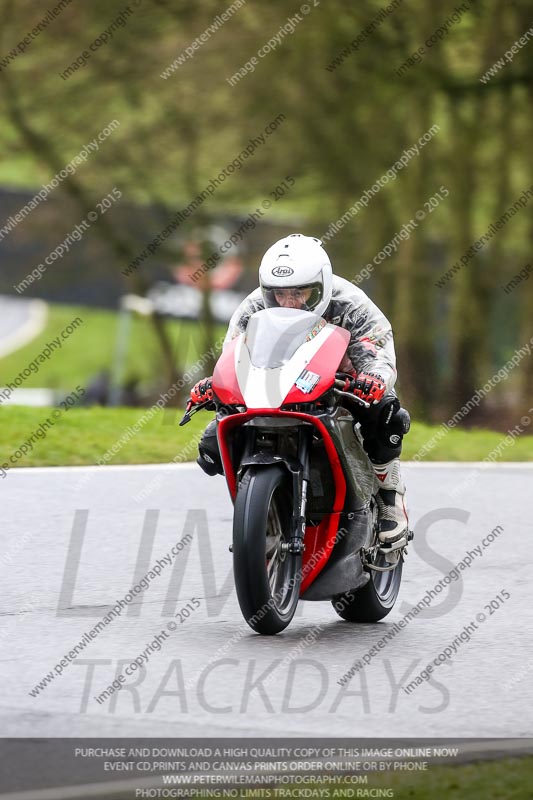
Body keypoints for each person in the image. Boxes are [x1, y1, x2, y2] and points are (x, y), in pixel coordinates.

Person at [189, 234, 411, 546]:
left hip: (337, 386)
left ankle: (390, 493)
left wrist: (372, 379)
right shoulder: (252, 306)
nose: (289, 302)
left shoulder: (352, 305)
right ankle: (258, 509)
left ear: (321, 285)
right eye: (279, 294)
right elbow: (234, 357)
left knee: (387, 413)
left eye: (300, 292)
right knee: (212, 445)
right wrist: (214, 386)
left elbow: (377, 355)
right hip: (274, 388)